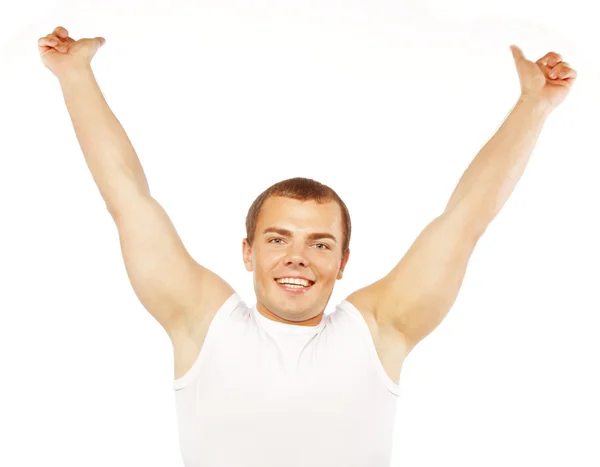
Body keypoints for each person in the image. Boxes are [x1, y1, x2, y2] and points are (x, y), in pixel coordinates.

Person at [38, 25, 577, 467]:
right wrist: (74, 74)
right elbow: (127, 200)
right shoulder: (202, 322)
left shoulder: (379, 330)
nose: (297, 257)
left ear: (343, 263)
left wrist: (535, 106)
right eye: (278, 239)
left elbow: (464, 222)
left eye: (320, 244)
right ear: (248, 252)